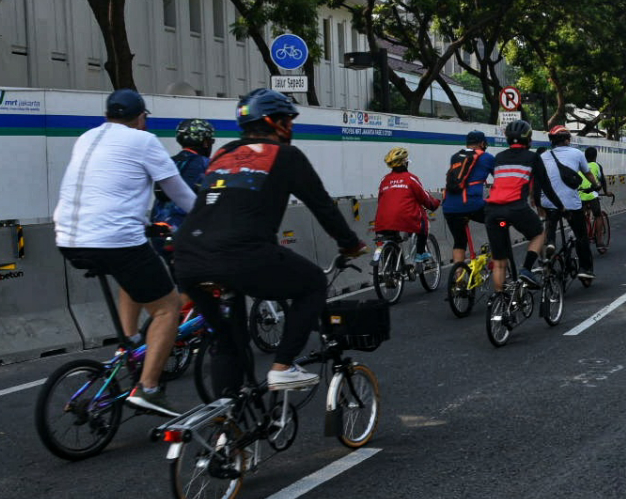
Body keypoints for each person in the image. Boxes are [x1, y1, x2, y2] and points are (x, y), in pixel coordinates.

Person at [173, 89, 367, 395]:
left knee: (229, 343)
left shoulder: (223, 154)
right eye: (288, 120)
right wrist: (350, 244)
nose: (291, 126)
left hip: (188, 258)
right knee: (313, 282)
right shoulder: (286, 156)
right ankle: (283, 366)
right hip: (240, 254)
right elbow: (323, 207)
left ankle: (227, 428)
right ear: (274, 122)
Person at [54, 89, 198, 411]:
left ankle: (130, 344)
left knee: (133, 275)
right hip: (113, 240)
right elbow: (181, 195)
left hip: (67, 239)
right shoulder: (143, 141)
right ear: (141, 118)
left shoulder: (86, 137)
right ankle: (147, 388)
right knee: (167, 307)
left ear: (108, 115)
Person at [483, 118, 553, 291]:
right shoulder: (532, 157)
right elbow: (545, 185)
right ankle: (526, 269)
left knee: (499, 263)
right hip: (515, 210)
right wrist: (560, 206)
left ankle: (501, 306)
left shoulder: (499, 157)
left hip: (494, 214)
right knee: (539, 234)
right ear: (528, 139)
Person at [538, 124, 595, 282]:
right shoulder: (577, 153)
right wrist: (596, 185)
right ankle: (585, 269)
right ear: (568, 140)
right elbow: (588, 173)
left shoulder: (543, 156)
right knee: (581, 235)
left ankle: (550, 244)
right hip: (570, 203)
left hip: (548, 202)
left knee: (551, 222)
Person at [375, 147, 440, 262]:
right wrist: (434, 204)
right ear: (405, 163)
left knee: (391, 236)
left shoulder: (384, 180)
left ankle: (391, 269)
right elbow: (425, 197)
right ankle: (420, 253)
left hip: (382, 220)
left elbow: (380, 200)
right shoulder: (411, 179)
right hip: (405, 218)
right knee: (423, 222)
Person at [150, 118, 216, 232]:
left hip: (158, 226)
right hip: (188, 230)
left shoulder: (169, 162)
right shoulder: (207, 164)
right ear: (205, 142)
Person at [442, 130, 495, 264]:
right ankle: (496, 259)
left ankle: (458, 279)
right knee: (499, 222)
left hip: (449, 207)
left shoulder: (455, 157)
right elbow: (500, 179)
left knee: (459, 241)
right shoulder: (487, 158)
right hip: (472, 205)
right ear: (482, 143)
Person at [578, 145, 611, 253]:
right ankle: (600, 241)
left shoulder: (579, 165)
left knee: (581, 216)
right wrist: (606, 192)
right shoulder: (597, 166)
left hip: (580, 194)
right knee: (598, 215)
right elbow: (602, 180)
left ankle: (583, 236)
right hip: (592, 194)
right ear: (595, 156)